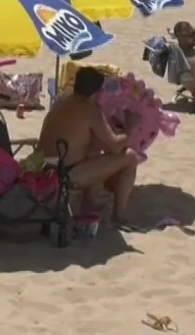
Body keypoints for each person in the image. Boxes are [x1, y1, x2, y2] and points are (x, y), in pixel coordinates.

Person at [38, 67, 139, 229]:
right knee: (131, 157)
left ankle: (89, 203)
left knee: (93, 149)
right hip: (65, 175)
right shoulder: (90, 110)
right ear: (97, 92)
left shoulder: (62, 100)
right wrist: (130, 127)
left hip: (44, 167)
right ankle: (119, 216)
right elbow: (115, 146)